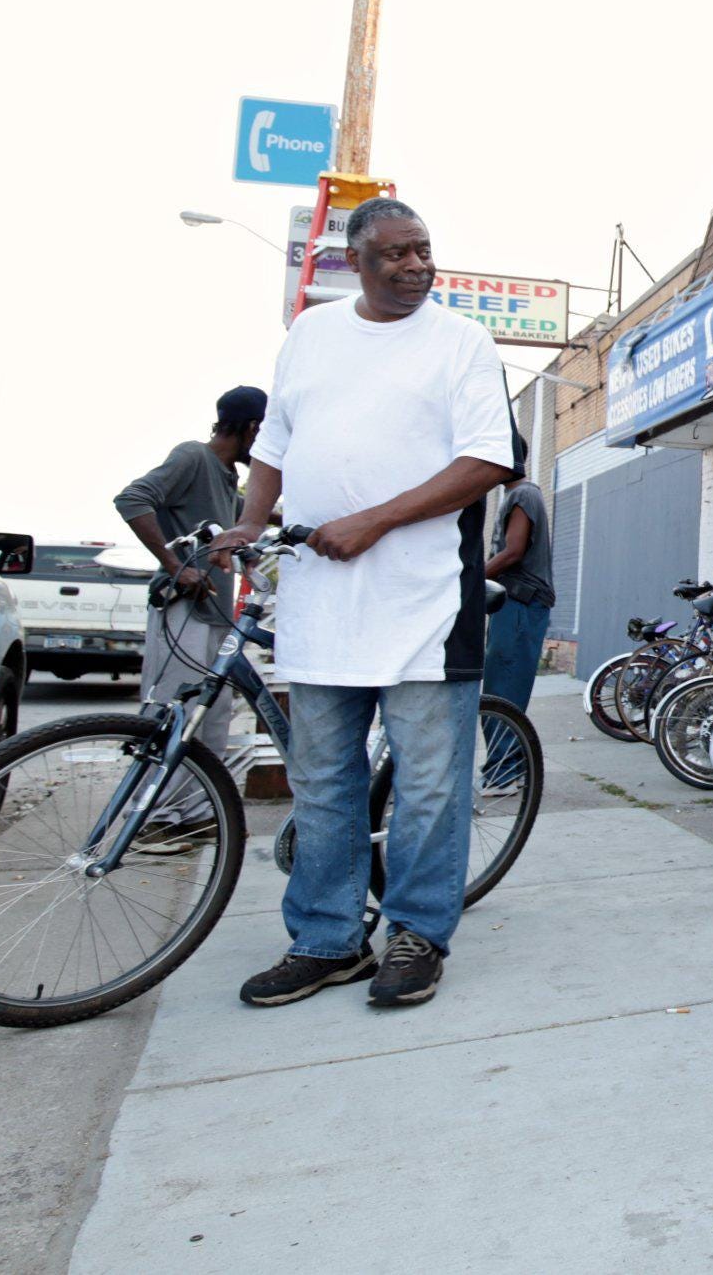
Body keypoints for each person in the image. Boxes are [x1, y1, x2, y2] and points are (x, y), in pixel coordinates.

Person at [211, 196, 518, 1011]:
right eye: (395, 254)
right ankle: (326, 940)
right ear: (357, 261)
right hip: (320, 607)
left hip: (421, 604)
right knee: (322, 782)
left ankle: (417, 933)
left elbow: (488, 459)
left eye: (423, 250)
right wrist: (249, 523)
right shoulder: (312, 335)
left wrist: (373, 521)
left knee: (428, 786)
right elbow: (272, 449)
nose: (416, 265)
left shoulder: (461, 342)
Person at [113, 385, 266, 828]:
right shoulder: (193, 457)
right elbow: (132, 499)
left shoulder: (224, 476)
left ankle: (196, 813)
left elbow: (247, 518)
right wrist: (176, 565)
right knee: (169, 711)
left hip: (214, 612)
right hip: (181, 606)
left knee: (212, 714)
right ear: (252, 427)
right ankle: (154, 819)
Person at [479, 475, 552, 786]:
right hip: (517, 603)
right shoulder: (522, 494)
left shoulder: (523, 494)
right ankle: (512, 769)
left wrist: (468, 582)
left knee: (502, 690)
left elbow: (512, 552)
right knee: (505, 687)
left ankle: (503, 773)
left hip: (520, 602)